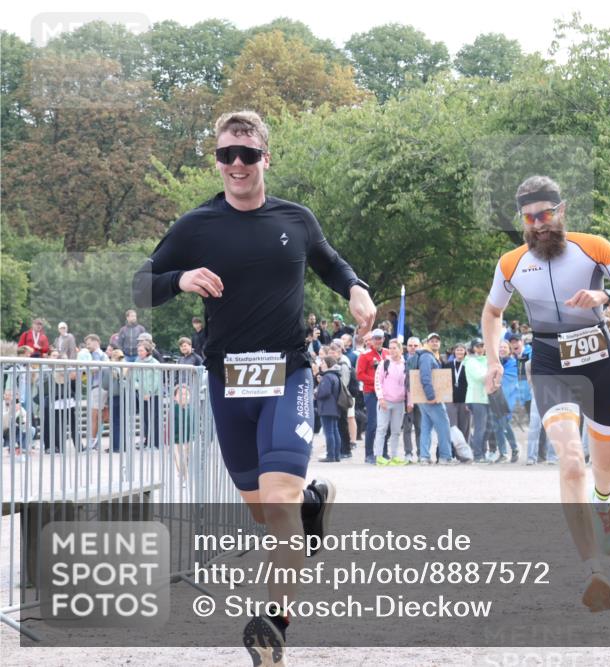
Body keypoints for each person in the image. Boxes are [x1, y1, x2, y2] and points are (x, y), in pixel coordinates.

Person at [132, 109, 376, 662]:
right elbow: (141, 287)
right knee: (266, 512)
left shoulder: (295, 218)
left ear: (265, 157)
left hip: (287, 376)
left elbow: (332, 263)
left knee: (279, 504)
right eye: (226, 155)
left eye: (246, 154)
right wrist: (180, 278)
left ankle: (275, 627)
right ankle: (315, 504)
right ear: (217, 160)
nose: (236, 165)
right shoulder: (197, 225)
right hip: (227, 384)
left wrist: (356, 288)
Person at [482, 174, 610, 613]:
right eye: (529, 217)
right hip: (548, 363)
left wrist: (607, 295)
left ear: (561, 211)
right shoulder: (511, 263)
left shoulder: (593, 246)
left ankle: (604, 504)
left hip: (597, 361)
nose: (538, 224)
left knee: (605, 467)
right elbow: (492, 311)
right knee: (571, 461)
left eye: (545, 214)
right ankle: (594, 570)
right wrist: (492, 359)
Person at [413, 333, 455, 464]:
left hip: (423, 398)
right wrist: (430, 396)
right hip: (431, 398)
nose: (435, 343)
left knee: (426, 427)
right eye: (432, 341)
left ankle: (424, 457)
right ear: (427, 342)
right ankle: (445, 457)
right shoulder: (426, 356)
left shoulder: (429, 355)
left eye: (437, 341)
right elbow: (425, 376)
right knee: (444, 426)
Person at [374, 339, 409, 466]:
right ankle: (378, 456)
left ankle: (394, 456)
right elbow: (378, 381)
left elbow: (408, 384)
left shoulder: (406, 364)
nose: (392, 350)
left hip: (400, 402)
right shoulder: (384, 363)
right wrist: (381, 398)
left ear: (401, 349)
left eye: (395, 348)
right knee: (381, 429)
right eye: (390, 348)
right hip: (385, 401)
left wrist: (409, 402)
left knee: (396, 430)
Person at [357, 328, 386, 464]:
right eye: (375, 338)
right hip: (371, 392)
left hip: (386, 393)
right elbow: (359, 374)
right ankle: (369, 454)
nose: (378, 341)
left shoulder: (387, 353)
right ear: (371, 340)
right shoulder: (365, 355)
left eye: (380, 338)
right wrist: (375, 381)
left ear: (383, 339)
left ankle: (383, 452)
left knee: (385, 423)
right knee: (373, 423)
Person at [77, 334, 109, 450]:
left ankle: (93, 441)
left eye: (89, 343)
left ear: (96, 342)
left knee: (94, 416)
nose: (87, 346)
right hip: (96, 387)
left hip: (98, 387)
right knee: (96, 416)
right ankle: (95, 440)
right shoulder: (98, 355)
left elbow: (97, 369)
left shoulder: (98, 355)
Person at [464, 339, 490, 463]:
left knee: (487, 428)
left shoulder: (486, 360)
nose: (480, 348)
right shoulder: (470, 361)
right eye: (477, 346)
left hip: (487, 397)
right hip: (476, 397)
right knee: (480, 428)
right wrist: (494, 372)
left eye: (482, 346)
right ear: (473, 348)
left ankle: (483, 453)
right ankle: (478, 455)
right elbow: (480, 377)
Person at [315, 355, 343, 463]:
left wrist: (316, 393)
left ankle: (330, 455)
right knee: (335, 431)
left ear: (328, 364)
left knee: (329, 432)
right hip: (334, 407)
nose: (321, 365)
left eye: (323, 363)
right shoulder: (335, 375)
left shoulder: (327, 376)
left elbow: (325, 392)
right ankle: (336, 455)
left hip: (326, 407)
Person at [444, 343, 471, 444]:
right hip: (451, 400)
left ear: (465, 352)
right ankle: (454, 451)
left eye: (461, 350)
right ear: (454, 352)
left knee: (465, 427)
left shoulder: (469, 365)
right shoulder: (448, 365)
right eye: (457, 350)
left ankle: (465, 452)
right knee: (453, 427)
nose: (459, 352)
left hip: (465, 400)